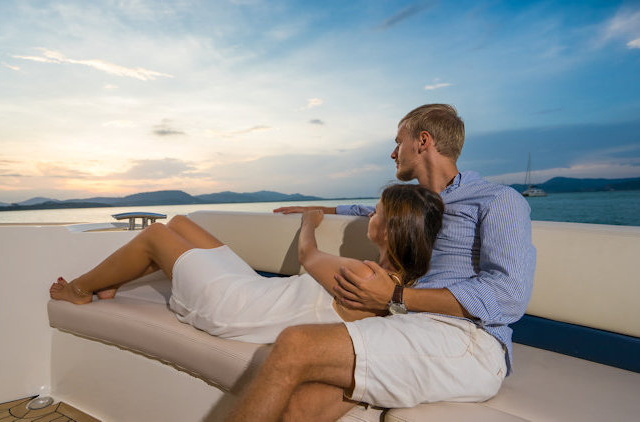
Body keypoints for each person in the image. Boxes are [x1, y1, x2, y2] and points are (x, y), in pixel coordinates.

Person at [226, 104, 536, 421]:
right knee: (301, 407)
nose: (393, 153)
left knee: (296, 344)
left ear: (423, 141)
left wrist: (395, 297)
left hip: (467, 339)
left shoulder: (497, 200)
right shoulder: (415, 204)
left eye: (398, 142)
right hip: (406, 325)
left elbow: (508, 296)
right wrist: (315, 210)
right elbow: (366, 211)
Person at [49, 184, 444, 344]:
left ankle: (80, 290)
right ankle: (116, 278)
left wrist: (310, 221)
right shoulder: (400, 281)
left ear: (389, 231)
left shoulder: (362, 276)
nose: (368, 218)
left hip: (236, 308)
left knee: (156, 234)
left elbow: (307, 256)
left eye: (374, 214)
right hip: (258, 289)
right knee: (184, 222)